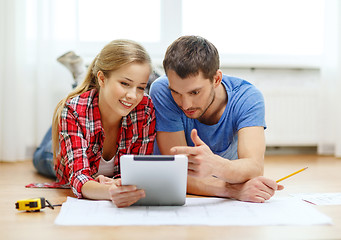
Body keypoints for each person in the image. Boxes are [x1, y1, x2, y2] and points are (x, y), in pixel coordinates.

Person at [149, 35, 284, 203]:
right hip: (172, 186)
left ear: (216, 79)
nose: (185, 104)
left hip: (213, 184)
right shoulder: (162, 90)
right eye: (176, 92)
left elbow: (254, 168)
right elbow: (176, 171)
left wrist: (215, 165)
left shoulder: (248, 97)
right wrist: (233, 190)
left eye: (195, 92)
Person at [48, 39, 155, 208]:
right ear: (102, 78)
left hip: (99, 109)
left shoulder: (146, 109)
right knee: (44, 157)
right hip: (62, 148)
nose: (133, 96)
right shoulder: (73, 110)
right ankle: (79, 77)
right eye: (125, 83)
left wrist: (117, 183)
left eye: (141, 87)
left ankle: (80, 77)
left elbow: (137, 172)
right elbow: (78, 178)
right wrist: (111, 192)